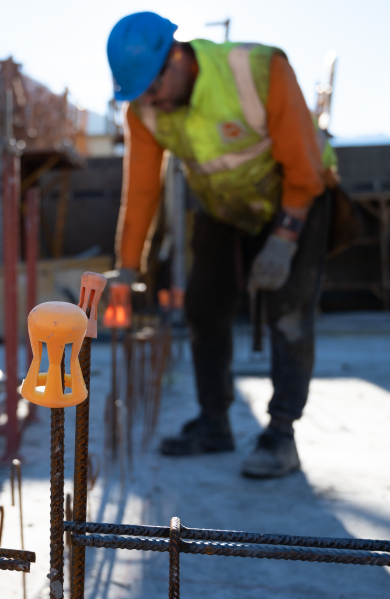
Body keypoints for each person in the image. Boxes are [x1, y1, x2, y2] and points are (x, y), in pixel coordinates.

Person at [106, 12, 338, 478]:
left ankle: (281, 433)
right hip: (223, 207)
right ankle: (215, 423)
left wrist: (283, 241)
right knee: (202, 307)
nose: (150, 101)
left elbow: (305, 171)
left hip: (298, 194)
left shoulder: (259, 70)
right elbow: (143, 191)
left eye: (153, 88)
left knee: (287, 311)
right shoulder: (144, 109)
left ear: (177, 57)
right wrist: (127, 268)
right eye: (139, 95)